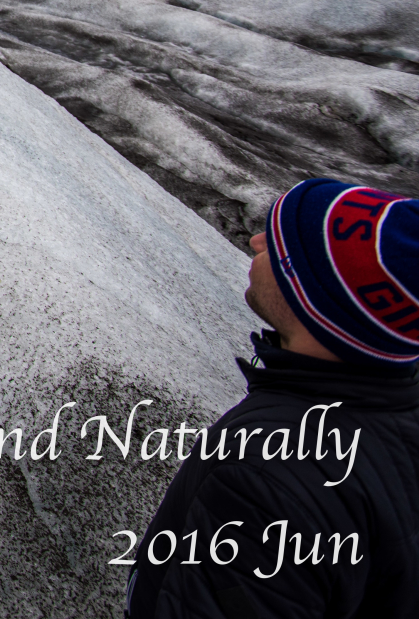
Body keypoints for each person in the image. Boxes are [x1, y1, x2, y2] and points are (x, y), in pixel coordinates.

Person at [125, 179, 419, 617]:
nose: (256, 240)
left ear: (316, 299)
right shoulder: (393, 409)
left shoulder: (269, 474)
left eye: (282, 249)